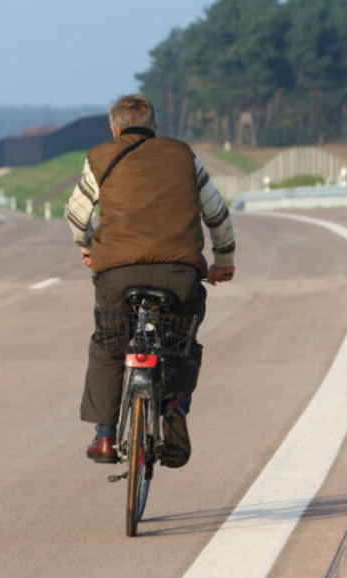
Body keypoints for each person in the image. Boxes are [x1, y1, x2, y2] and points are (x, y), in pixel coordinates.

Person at [64, 93, 236, 468]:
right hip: (179, 274)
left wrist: (89, 247)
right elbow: (217, 214)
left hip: (116, 272)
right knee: (180, 342)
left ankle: (106, 436)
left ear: (114, 128)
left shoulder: (100, 156)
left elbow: (77, 217)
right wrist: (223, 260)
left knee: (109, 345)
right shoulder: (182, 155)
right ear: (154, 128)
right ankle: (174, 404)